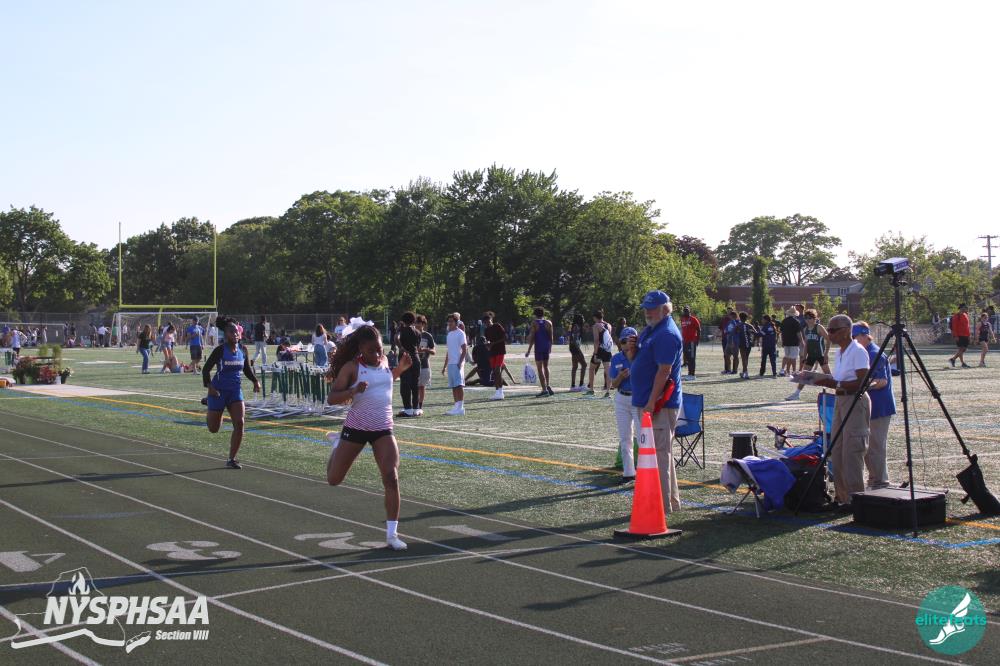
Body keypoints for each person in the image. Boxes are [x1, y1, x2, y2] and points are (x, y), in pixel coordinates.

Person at [325, 324, 412, 550]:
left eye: (379, 349)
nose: (377, 354)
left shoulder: (383, 361)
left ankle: (392, 535)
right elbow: (332, 398)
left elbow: (384, 382)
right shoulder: (352, 367)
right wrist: (353, 391)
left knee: (391, 477)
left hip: (383, 428)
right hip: (356, 428)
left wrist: (400, 369)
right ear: (361, 348)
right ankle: (337, 445)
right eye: (371, 350)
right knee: (334, 479)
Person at [793, 314, 870, 511]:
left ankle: (855, 499)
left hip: (855, 400)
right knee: (837, 450)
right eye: (829, 329)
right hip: (840, 399)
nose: (830, 333)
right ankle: (842, 497)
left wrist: (834, 383)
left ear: (847, 330)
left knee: (852, 451)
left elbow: (862, 382)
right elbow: (838, 379)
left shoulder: (858, 351)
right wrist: (814, 377)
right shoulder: (841, 352)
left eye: (833, 330)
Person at [630, 290, 683, 513]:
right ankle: (668, 502)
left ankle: (659, 505)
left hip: (659, 405)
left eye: (652, 308)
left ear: (665, 309)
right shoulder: (652, 329)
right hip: (647, 402)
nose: (647, 312)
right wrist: (632, 351)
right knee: (658, 454)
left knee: (659, 454)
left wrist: (651, 402)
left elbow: (664, 371)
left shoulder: (666, 333)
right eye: (646, 308)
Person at [202, 318, 260, 470]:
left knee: (240, 423)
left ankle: (231, 459)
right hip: (218, 391)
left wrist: (255, 381)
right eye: (231, 332)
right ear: (226, 334)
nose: (235, 334)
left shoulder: (243, 350)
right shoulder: (220, 350)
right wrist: (209, 387)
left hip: (235, 392)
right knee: (213, 428)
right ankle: (211, 404)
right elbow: (206, 370)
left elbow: (246, 369)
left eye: (236, 331)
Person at [853, 322, 895, 490]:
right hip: (869, 406)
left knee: (875, 446)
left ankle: (880, 481)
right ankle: (874, 480)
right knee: (868, 446)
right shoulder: (864, 352)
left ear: (864, 335)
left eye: (854, 337)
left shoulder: (874, 353)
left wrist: (860, 385)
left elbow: (882, 381)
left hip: (879, 407)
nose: (852, 341)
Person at [609, 327, 639, 483]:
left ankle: (645, 470)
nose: (626, 344)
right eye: (623, 341)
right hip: (622, 399)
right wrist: (620, 376)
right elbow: (613, 384)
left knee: (642, 436)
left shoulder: (641, 356)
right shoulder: (616, 358)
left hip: (638, 399)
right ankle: (628, 472)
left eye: (629, 340)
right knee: (625, 437)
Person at [788, 309, 830, 401]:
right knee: (804, 375)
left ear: (815, 318)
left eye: (810, 318)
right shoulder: (805, 329)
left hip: (821, 355)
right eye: (806, 318)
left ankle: (838, 393)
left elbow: (828, 339)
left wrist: (826, 353)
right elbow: (807, 344)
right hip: (811, 355)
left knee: (828, 375)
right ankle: (796, 394)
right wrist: (804, 356)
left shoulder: (819, 327)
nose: (807, 320)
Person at [395, 311, 422, 416]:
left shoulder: (402, 330)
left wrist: (401, 347)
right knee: (415, 384)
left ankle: (408, 409)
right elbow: (418, 346)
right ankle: (416, 408)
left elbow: (396, 338)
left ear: (403, 320)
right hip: (416, 357)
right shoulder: (418, 332)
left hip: (405, 358)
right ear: (413, 320)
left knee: (405, 384)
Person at [441, 313, 468, 415]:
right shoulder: (449, 334)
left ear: (456, 322)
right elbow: (448, 351)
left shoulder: (461, 333)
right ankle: (456, 406)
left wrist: (460, 362)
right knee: (453, 386)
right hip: (451, 363)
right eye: (448, 321)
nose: (449, 323)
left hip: (457, 363)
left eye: (451, 321)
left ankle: (460, 407)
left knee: (459, 385)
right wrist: (445, 366)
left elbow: (464, 349)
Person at [525, 307, 554, 397]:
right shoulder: (549, 322)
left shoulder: (534, 323)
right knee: (546, 367)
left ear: (535, 314)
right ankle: (548, 386)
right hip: (546, 347)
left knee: (540, 369)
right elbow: (551, 337)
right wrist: (550, 348)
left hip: (539, 348)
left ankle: (544, 390)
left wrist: (529, 350)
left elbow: (532, 338)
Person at [586, 310, 613, 397]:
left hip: (600, 350)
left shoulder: (596, 326)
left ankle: (591, 390)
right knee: (608, 371)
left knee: (592, 369)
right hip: (608, 350)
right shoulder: (609, 325)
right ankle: (608, 392)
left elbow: (596, 340)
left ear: (595, 317)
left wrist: (595, 353)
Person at [483, 311, 507, 401]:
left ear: (491, 319)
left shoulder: (497, 326)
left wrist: (493, 343)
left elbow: (504, 337)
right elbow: (488, 341)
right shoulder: (486, 330)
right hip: (492, 352)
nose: (487, 323)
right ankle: (497, 392)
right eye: (485, 322)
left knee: (497, 370)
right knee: (494, 372)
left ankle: (501, 392)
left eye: (488, 321)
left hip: (500, 351)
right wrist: (487, 345)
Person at [415, 315, 436, 410]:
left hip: (424, 365)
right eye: (415, 323)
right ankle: (414, 405)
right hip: (413, 364)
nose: (416, 325)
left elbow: (434, 351)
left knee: (422, 386)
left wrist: (425, 349)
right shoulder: (412, 334)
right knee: (413, 387)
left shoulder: (427, 336)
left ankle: (419, 406)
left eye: (418, 323)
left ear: (423, 324)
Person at [779, 307, 802, 378]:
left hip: (786, 341)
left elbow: (781, 332)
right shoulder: (796, 321)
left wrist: (782, 341)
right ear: (795, 314)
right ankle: (794, 371)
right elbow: (798, 333)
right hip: (794, 342)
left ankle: (782, 370)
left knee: (786, 356)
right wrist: (802, 341)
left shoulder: (784, 321)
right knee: (793, 357)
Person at [679, 306, 701, 379]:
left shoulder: (693, 319)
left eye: (687, 311)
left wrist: (697, 340)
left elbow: (699, 329)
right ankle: (689, 373)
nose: (685, 312)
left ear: (689, 311)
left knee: (692, 358)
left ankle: (692, 374)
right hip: (685, 341)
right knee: (687, 357)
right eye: (684, 311)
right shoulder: (682, 319)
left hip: (692, 341)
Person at [948, 304, 972, 368]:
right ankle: (961, 362)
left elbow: (967, 326)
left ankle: (953, 359)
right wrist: (956, 336)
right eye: (965, 307)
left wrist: (969, 335)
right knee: (961, 349)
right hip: (959, 335)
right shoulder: (956, 316)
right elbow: (954, 327)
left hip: (966, 335)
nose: (966, 309)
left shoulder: (966, 315)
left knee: (963, 349)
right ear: (961, 308)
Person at [568, 314, 588, 391]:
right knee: (584, 365)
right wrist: (577, 348)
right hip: (575, 348)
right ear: (579, 320)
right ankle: (581, 384)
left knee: (575, 366)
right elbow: (575, 339)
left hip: (572, 347)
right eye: (582, 318)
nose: (583, 320)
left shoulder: (575, 326)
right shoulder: (576, 327)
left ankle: (573, 386)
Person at [735, 312, 757, 379]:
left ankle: (746, 373)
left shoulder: (738, 325)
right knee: (746, 358)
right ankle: (744, 372)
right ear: (746, 318)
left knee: (744, 358)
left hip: (742, 343)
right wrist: (753, 341)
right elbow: (756, 333)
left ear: (740, 317)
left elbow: (735, 333)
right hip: (749, 343)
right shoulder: (750, 325)